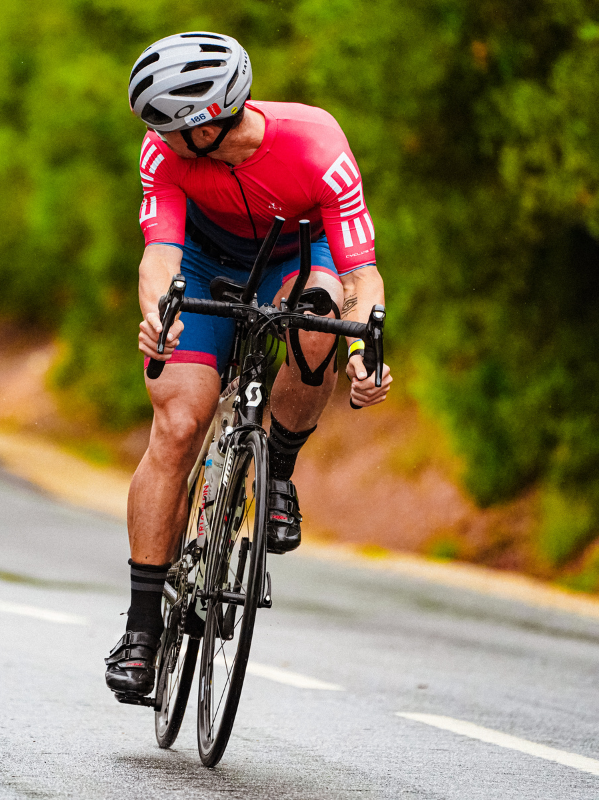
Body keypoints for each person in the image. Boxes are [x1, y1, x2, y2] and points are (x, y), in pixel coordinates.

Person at [105, 32, 394, 696]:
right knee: (178, 426)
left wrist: (361, 351)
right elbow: (160, 255)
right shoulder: (165, 154)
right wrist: (158, 313)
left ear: (208, 125)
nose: (156, 138)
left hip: (298, 256)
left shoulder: (314, 143)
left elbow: (361, 273)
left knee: (317, 322)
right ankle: (142, 630)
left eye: (170, 128)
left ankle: (279, 474)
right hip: (206, 263)